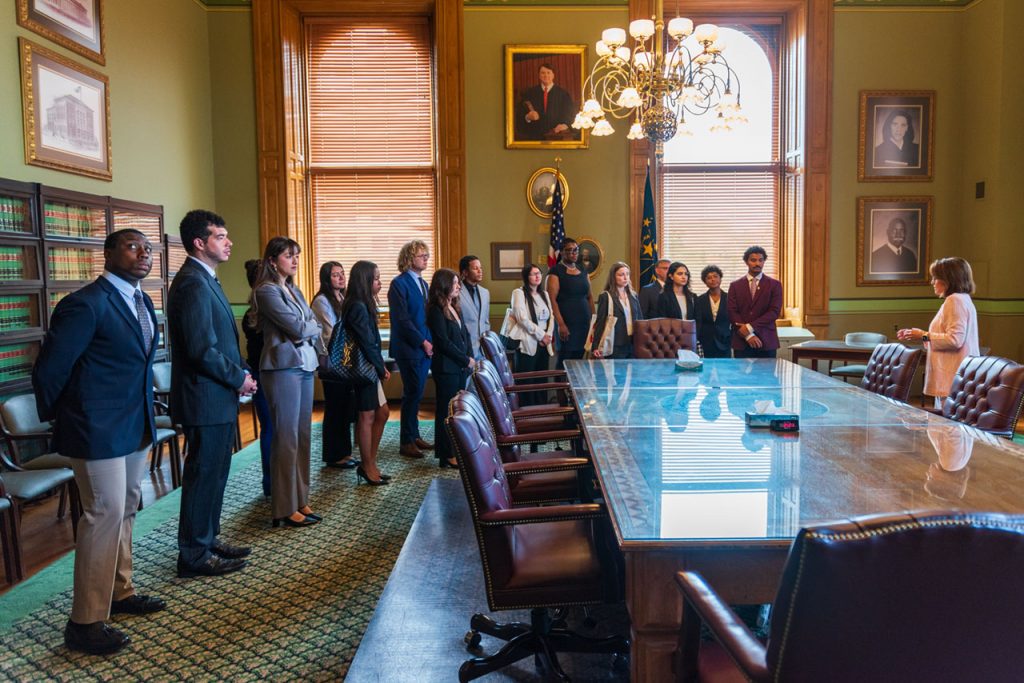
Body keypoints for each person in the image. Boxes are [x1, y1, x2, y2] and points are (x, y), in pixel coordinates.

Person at [32, 229, 164, 655]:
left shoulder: (143, 301)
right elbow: (51, 370)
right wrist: (69, 421)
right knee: (102, 513)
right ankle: (85, 621)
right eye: (132, 246)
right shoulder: (84, 304)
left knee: (126, 506)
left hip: (135, 423)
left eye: (148, 248)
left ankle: (120, 591)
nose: (143, 253)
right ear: (107, 254)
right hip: (96, 429)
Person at [168, 210, 256, 579]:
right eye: (220, 236)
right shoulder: (191, 282)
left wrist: (240, 373)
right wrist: (238, 378)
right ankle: (193, 555)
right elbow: (201, 349)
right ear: (199, 243)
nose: (229, 241)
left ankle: (207, 538)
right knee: (203, 474)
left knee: (217, 472)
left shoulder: (207, 279)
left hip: (217, 394)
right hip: (204, 396)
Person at [253, 237, 323, 528]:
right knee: (286, 439)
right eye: (288, 256)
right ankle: (283, 507)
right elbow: (299, 327)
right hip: (281, 369)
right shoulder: (266, 290)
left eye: (296, 255)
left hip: (304, 366)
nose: (294, 261)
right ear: (272, 260)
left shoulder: (293, 289)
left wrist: (309, 326)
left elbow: (309, 324)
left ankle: (300, 499)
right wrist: (310, 326)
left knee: (303, 436)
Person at [897, 257, 980, 409]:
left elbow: (954, 340)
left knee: (946, 429)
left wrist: (922, 335)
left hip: (951, 376)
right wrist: (919, 334)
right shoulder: (963, 299)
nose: (932, 282)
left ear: (948, 280)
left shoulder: (954, 301)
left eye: (935, 278)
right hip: (957, 376)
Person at [341, 261, 392, 485]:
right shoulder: (357, 306)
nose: (380, 283)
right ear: (365, 281)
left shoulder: (364, 303)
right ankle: (367, 465)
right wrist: (381, 367)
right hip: (363, 370)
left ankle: (369, 462)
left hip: (370, 367)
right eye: (376, 279)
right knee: (367, 416)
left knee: (382, 413)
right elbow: (366, 342)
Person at [388, 240, 434, 459]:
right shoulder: (398, 284)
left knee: (417, 395)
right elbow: (402, 320)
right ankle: (406, 441)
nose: (426, 258)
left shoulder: (423, 284)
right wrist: (422, 342)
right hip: (409, 348)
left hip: (425, 349)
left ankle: (414, 435)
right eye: (421, 255)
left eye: (427, 254)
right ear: (408, 258)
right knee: (412, 393)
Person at [310, 261, 357, 469]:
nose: (340, 277)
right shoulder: (321, 301)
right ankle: (333, 454)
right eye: (335, 275)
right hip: (331, 361)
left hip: (345, 360)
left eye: (342, 273)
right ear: (326, 279)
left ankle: (344, 452)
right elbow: (331, 332)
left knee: (345, 407)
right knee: (335, 407)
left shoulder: (344, 297)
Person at [425, 268, 474, 469]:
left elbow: (465, 336)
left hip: (458, 367)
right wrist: (465, 360)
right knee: (447, 412)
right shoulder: (436, 310)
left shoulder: (453, 306)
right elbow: (443, 343)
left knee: (455, 410)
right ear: (444, 285)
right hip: (446, 368)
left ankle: (454, 450)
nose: (458, 286)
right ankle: (446, 454)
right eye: (455, 283)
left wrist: (468, 357)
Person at [241, 259, 273, 496]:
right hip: (264, 375)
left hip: (267, 373)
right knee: (271, 427)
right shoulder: (256, 314)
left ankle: (274, 482)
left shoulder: (257, 310)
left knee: (273, 427)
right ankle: (271, 483)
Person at [508, 263, 555, 406]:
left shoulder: (544, 294)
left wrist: (548, 336)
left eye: (539, 273)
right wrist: (541, 335)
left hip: (544, 345)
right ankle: (526, 413)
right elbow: (521, 318)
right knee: (527, 382)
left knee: (541, 381)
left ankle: (542, 412)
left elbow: (551, 317)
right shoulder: (519, 293)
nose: (537, 276)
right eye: (533, 274)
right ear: (526, 277)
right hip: (528, 343)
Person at [727, 246, 783, 359]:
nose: (757, 263)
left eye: (760, 260)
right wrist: (748, 335)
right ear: (746, 262)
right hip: (742, 341)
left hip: (766, 340)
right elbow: (732, 312)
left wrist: (750, 327)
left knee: (767, 376)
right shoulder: (735, 286)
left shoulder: (775, 285)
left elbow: (774, 312)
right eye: (753, 260)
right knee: (742, 377)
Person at [546, 237, 593, 369]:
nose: (573, 253)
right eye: (569, 250)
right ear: (562, 252)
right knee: (564, 361)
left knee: (579, 359)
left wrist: (593, 322)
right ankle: (561, 388)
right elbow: (551, 299)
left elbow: (589, 297)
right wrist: (561, 324)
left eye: (576, 250)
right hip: (566, 325)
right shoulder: (555, 271)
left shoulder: (583, 271)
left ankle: (574, 389)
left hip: (583, 324)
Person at [592, 262, 642, 359]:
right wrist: (596, 346)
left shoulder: (633, 295)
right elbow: (600, 322)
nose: (625, 277)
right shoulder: (606, 296)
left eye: (627, 274)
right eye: (621, 274)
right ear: (613, 277)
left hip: (633, 344)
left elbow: (640, 319)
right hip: (615, 345)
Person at [517, 63, 577, 141]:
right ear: (539, 75)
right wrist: (527, 117)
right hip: (534, 136)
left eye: (548, 72)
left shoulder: (563, 94)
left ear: (553, 75)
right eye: (543, 73)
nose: (546, 75)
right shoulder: (530, 93)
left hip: (556, 136)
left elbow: (570, 114)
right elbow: (520, 114)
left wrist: (565, 125)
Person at [693, 265, 732, 358]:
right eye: (709, 278)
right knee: (706, 370)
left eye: (715, 276)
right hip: (706, 342)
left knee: (725, 371)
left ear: (720, 278)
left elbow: (734, 320)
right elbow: (698, 322)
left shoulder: (730, 298)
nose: (713, 279)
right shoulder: (699, 300)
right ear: (705, 282)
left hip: (725, 341)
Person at [458, 255, 491, 359]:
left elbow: (486, 321)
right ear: (465, 272)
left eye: (480, 268)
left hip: (483, 350)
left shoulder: (485, 293)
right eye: (475, 268)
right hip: (464, 349)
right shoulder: (456, 292)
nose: (480, 271)